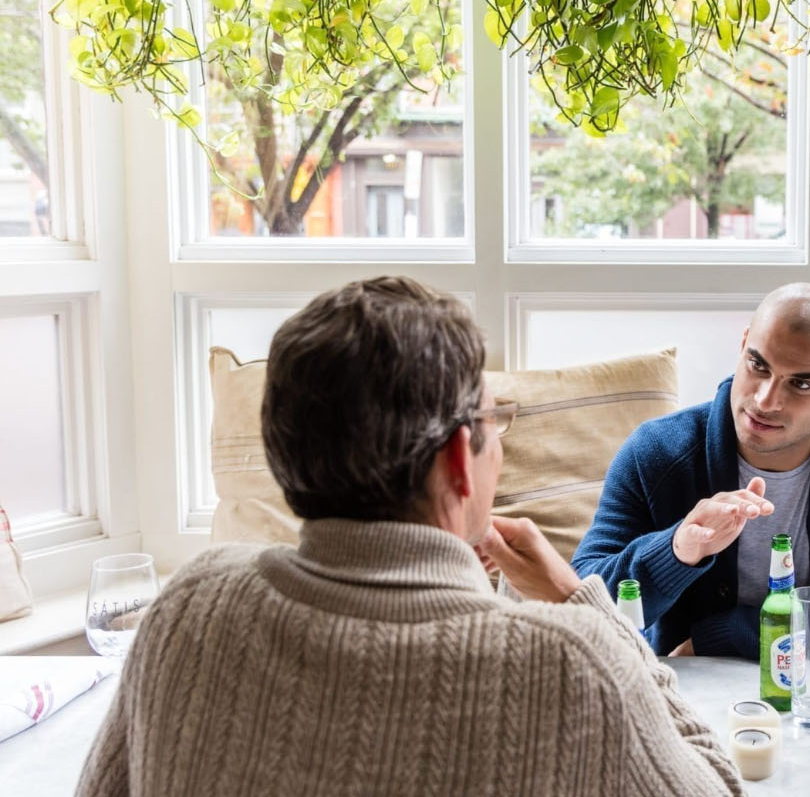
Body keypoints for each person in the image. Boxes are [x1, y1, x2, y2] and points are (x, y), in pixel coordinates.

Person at [77, 277, 742, 797]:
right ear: (459, 459)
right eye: (493, 420)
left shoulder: (190, 605)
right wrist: (585, 608)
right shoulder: (569, 666)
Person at [571, 283, 810, 667]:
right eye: (758, 365)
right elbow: (580, 606)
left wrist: (723, 635)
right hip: (691, 694)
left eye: (801, 383)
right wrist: (677, 550)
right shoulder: (658, 452)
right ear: (744, 344)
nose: (765, 400)